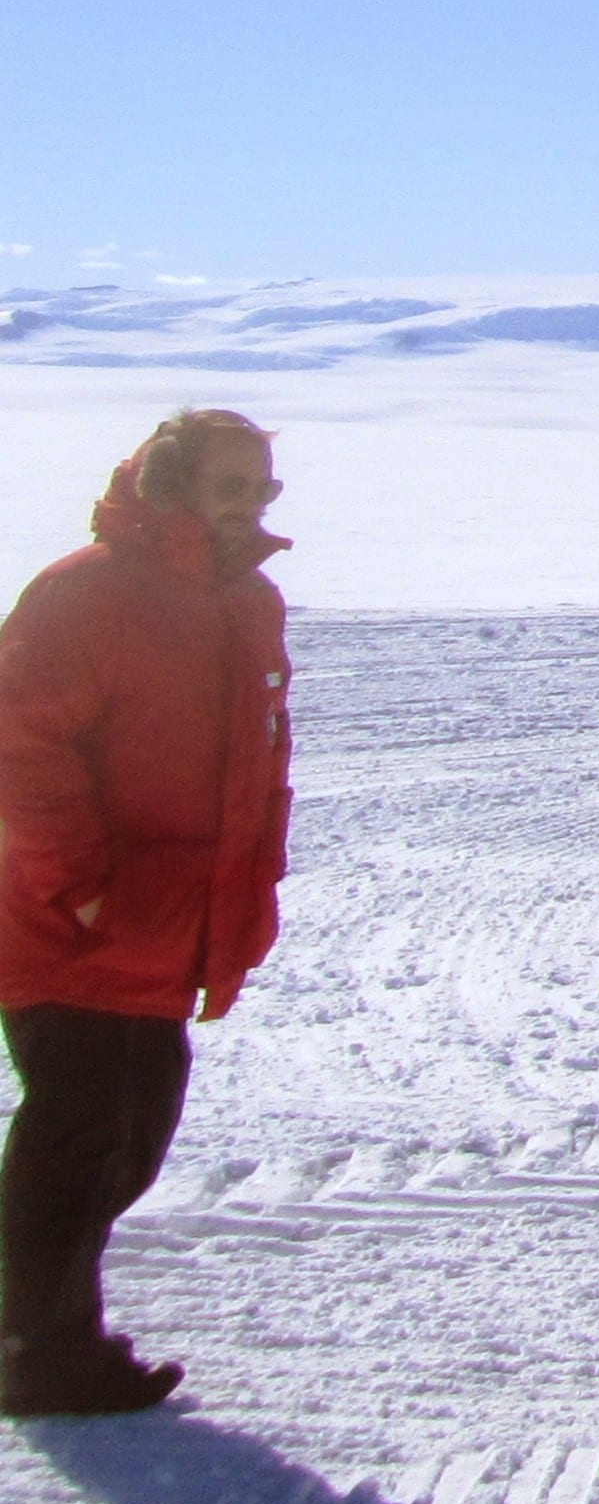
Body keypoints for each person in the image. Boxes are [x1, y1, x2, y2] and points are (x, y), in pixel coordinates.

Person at [0, 408, 296, 1418]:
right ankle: (41, 1353)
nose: (252, 503)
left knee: (129, 1142)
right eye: (234, 483)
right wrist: (81, 883)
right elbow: (19, 745)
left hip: (169, 926)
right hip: (72, 924)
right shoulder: (89, 593)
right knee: (79, 1141)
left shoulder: (251, 603)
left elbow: (262, 763)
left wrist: (245, 896)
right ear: (173, 482)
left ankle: (31, 1313)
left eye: (265, 486)